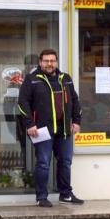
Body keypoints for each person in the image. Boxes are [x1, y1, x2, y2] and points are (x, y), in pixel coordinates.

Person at [18, 49, 84, 207]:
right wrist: (30, 124)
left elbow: (75, 101)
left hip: (64, 130)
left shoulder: (65, 78)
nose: (49, 64)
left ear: (56, 62)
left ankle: (65, 194)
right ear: (40, 62)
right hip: (42, 130)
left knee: (65, 162)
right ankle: (41, 197)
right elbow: (23, 103)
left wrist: (76, 121)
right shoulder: (32, 79)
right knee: (43, 163)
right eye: (46, 61)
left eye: (52, 61)